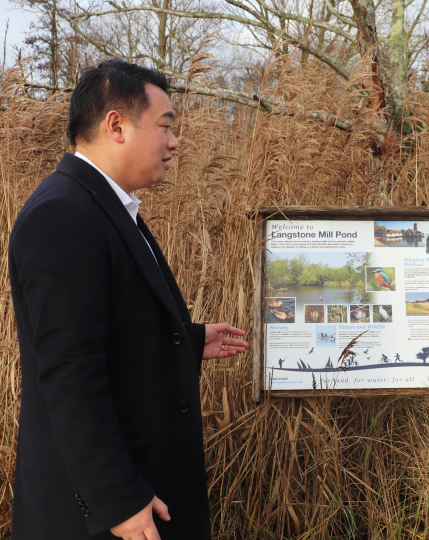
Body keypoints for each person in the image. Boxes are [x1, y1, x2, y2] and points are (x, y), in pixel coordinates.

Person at [9, 59, 249, 540]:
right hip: (102, 516)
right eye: (165, 126)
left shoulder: (103, 206)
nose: (174, 142)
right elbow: (70, 375)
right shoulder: (63, 215)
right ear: (116, 125)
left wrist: (185, 338)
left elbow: (108, 325)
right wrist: (117, 497)